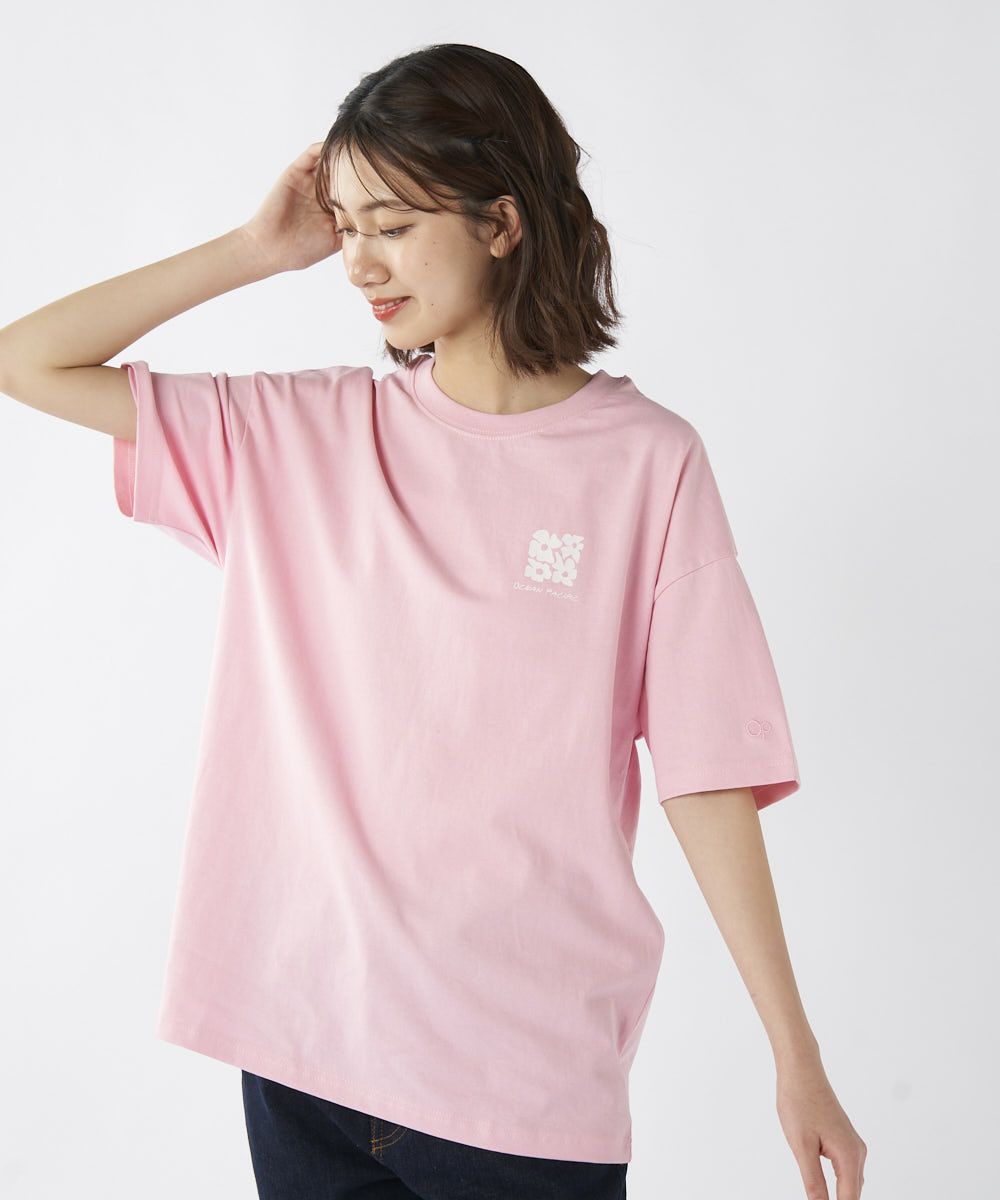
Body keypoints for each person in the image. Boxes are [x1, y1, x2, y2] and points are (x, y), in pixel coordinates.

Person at [0, 41, 866, 1200]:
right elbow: (27, 360)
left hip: (520, 1084)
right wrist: (254, 249)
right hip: (304, 1054)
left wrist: (794, 1058)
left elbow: (707, 770)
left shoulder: (645, 467)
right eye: (346, 225)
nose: (359, 261)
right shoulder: (297, 438)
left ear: (501, 221)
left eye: (396, 225)